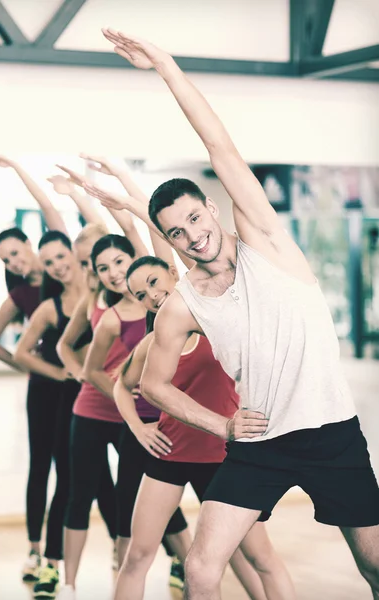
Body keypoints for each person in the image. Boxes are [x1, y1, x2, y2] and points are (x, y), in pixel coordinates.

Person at [102, 29, 379, 600]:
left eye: (195, 219)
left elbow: (219, 146)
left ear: (210, 208)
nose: (193, 236)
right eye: (176, 233)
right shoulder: (183, 303)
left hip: (332, 433)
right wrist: (221, 426)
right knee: (203, 570)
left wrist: (166, 67)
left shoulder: (265, 242)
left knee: (375, 565)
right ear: (169, 240)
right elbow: (152, 383)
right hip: (260, 443)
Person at [112, 255, 294, 600]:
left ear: (171, 272)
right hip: (170, 454)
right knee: (137, 555)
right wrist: (138, 428)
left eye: (152, 282)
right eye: (140, 294)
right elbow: (122, 384)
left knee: (257, 557)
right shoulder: (153, 343)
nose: (150, 296)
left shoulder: (217, 323)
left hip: (225, 458)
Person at [56, 234, 188, 600]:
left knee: (145, 500)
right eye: (103, 268)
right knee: (89, 496)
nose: (113, 272)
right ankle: (70, 584)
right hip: (102, 413)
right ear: (96, 274)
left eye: (119, 262)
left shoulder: (162, 304)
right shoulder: (107, 313)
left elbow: (142, 231)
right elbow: (88, 364)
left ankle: (183, 566)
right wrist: (116, 387)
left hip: (145, 420)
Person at [13, 231, 118, 598]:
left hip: (115, 398)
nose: (57, 267)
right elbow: (23, 352)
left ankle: (137, 558)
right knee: (71, 484)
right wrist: (62, 372)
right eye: (49, 263)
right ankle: (52, 566)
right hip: (74, 402)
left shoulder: (101, 294)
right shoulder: (49, 307)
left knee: (122, 484)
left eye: (61, 258)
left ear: (75, 255)